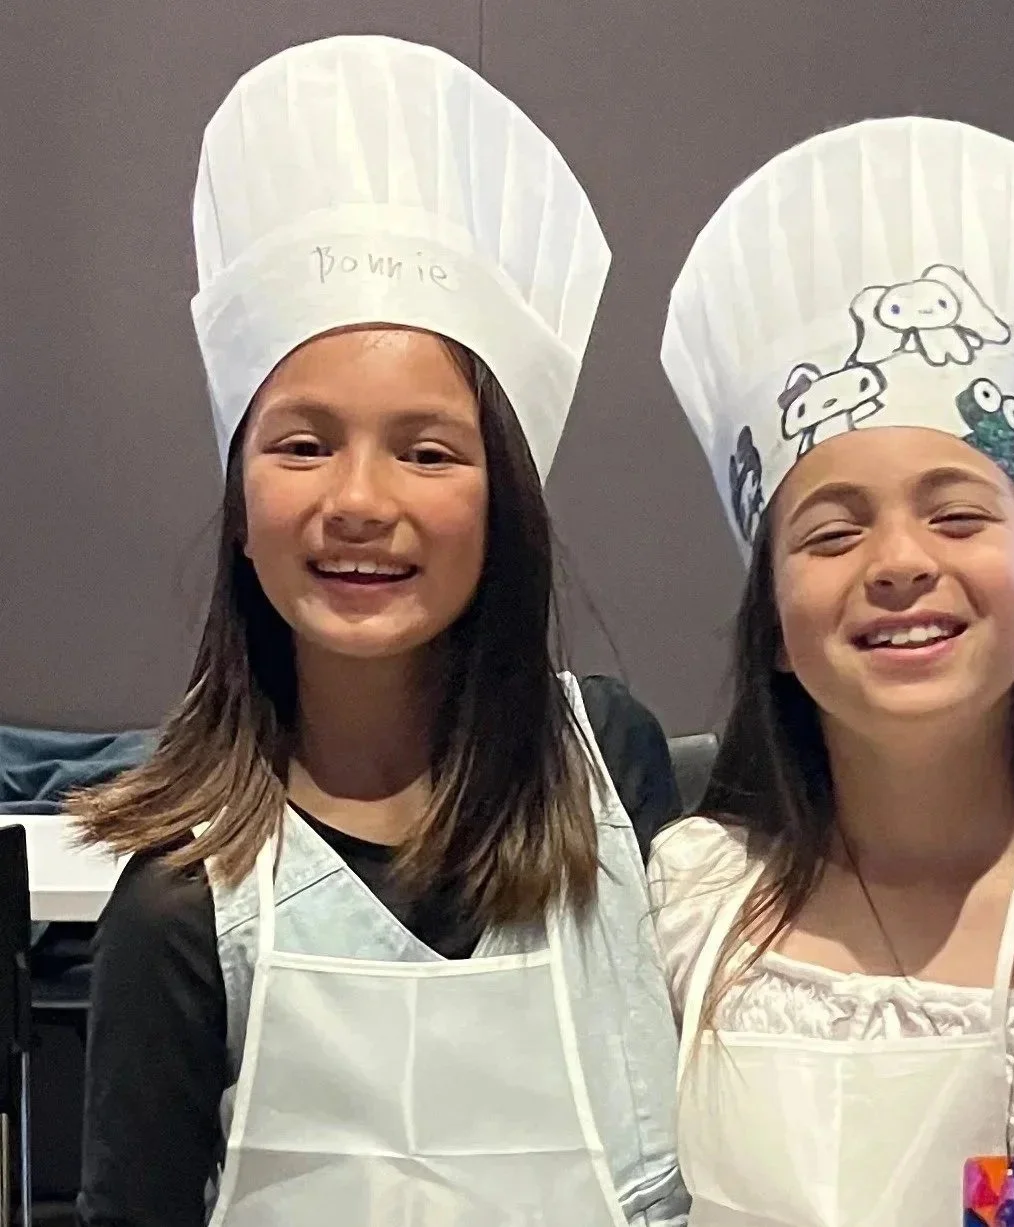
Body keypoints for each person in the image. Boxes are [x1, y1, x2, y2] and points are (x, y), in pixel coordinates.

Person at [71, 35, 687, 1227]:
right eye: (302, 444)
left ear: (503, 507)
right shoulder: (180, 907)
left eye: (427, 451)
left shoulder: (613, 771)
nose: (358, 500)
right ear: (241, 507)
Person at [649, 115, 1014, 1227]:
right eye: (831, 532)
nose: (900, 563)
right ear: (772, 626)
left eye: (956, 516)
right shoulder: (689, 896)